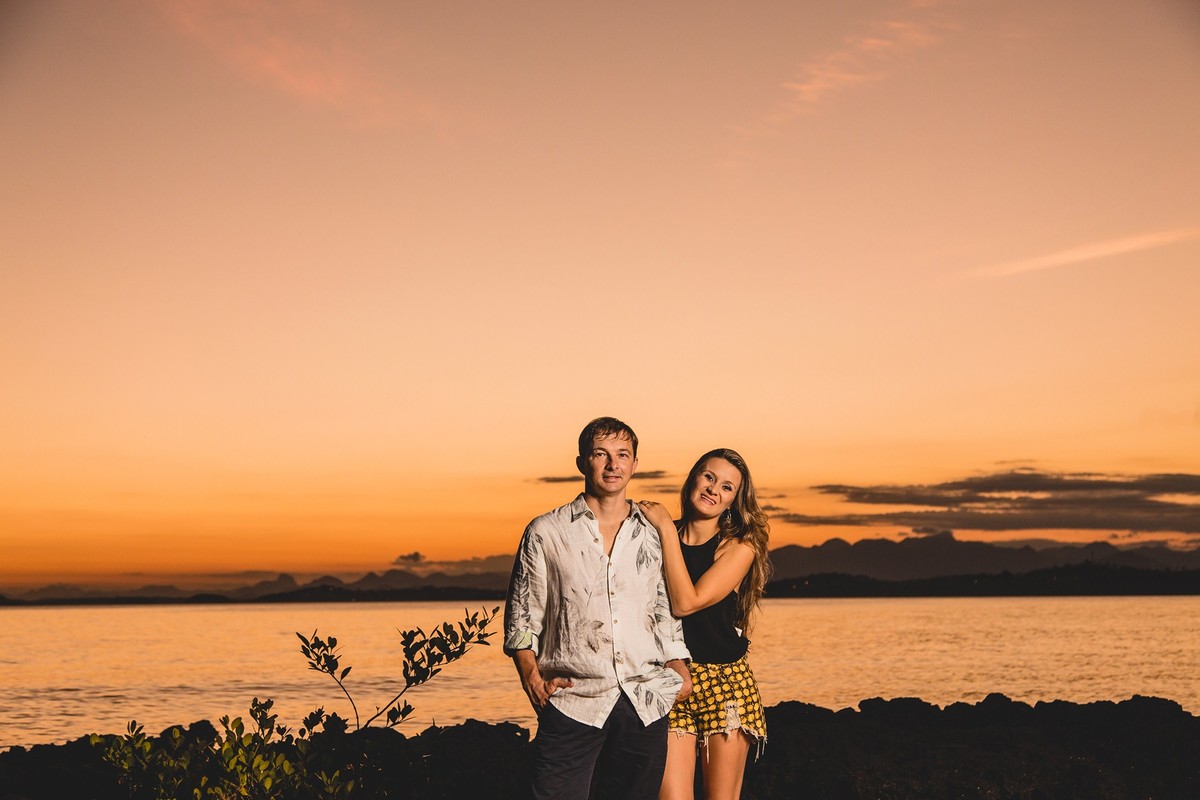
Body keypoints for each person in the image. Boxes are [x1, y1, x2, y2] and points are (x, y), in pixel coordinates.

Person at [504, 417, 693, 800]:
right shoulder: (546, 531)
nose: (613, 465)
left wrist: (679, 670)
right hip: (574, 699)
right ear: (581, 463)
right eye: (601, 455)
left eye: (622, 455)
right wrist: (531, 678)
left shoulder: (652, 531)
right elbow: (523, 618)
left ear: (635, 464)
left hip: (644, 699)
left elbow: (663, 610)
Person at [637, 448, 771, 800]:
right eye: (709, 477)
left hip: (725, 684)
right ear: (694, 478)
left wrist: (666, 525)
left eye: (727, 487)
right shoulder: (656, 539)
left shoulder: (738, 548)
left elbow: (686, 603)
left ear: (732, 501)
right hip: (670, 678)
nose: (714, 489)